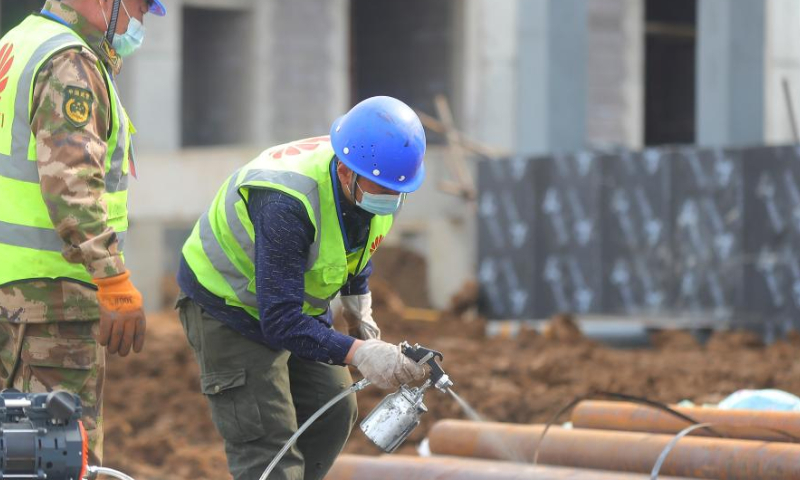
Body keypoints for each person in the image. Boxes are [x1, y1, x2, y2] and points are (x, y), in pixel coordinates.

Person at [177, 96, 428, 480]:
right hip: (230, 306)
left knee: (332, 411)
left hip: (290, 304)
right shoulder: (286, 203)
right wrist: (359, 353)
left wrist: (359, 310)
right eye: (381, 190)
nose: (390, 201)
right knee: (267, 443)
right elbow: (280, 321)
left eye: (397, 192)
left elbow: (356, 244)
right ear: (345, 172)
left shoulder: (376, 181)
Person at [0, 0, 166, 464]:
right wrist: (112, 278)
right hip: (48, 302)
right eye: (137, 5)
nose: (142, 19)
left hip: (11, 293)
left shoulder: (16, 44)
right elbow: (71, 185)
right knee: (57, 457)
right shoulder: (68, 63)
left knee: (14, 456)